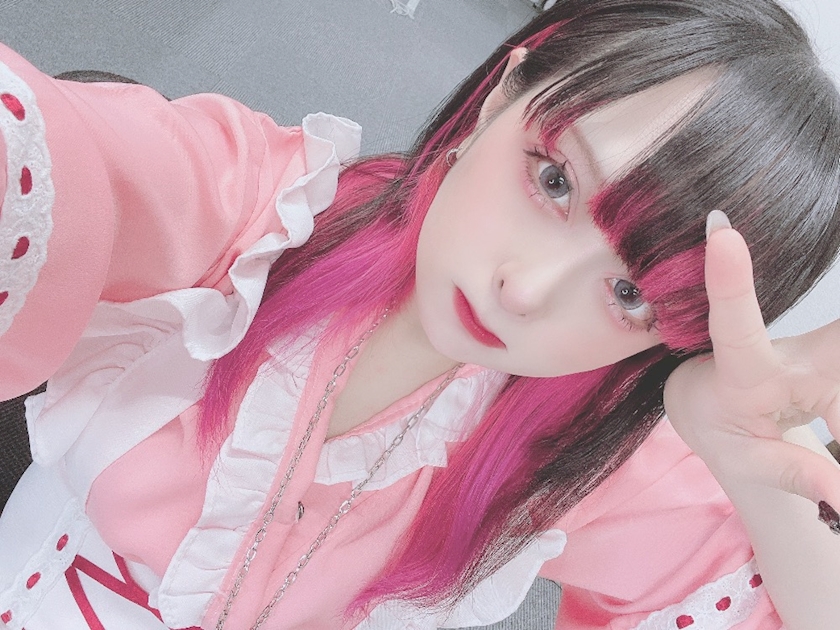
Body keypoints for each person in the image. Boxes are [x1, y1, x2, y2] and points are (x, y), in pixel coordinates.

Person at [0, 0, 839, 628]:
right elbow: (58, 154)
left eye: (631, 294)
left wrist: (752, 466)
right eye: (554, 181)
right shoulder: (258, 216)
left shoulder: (584, 445)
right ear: (499, 99)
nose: (526, 291)